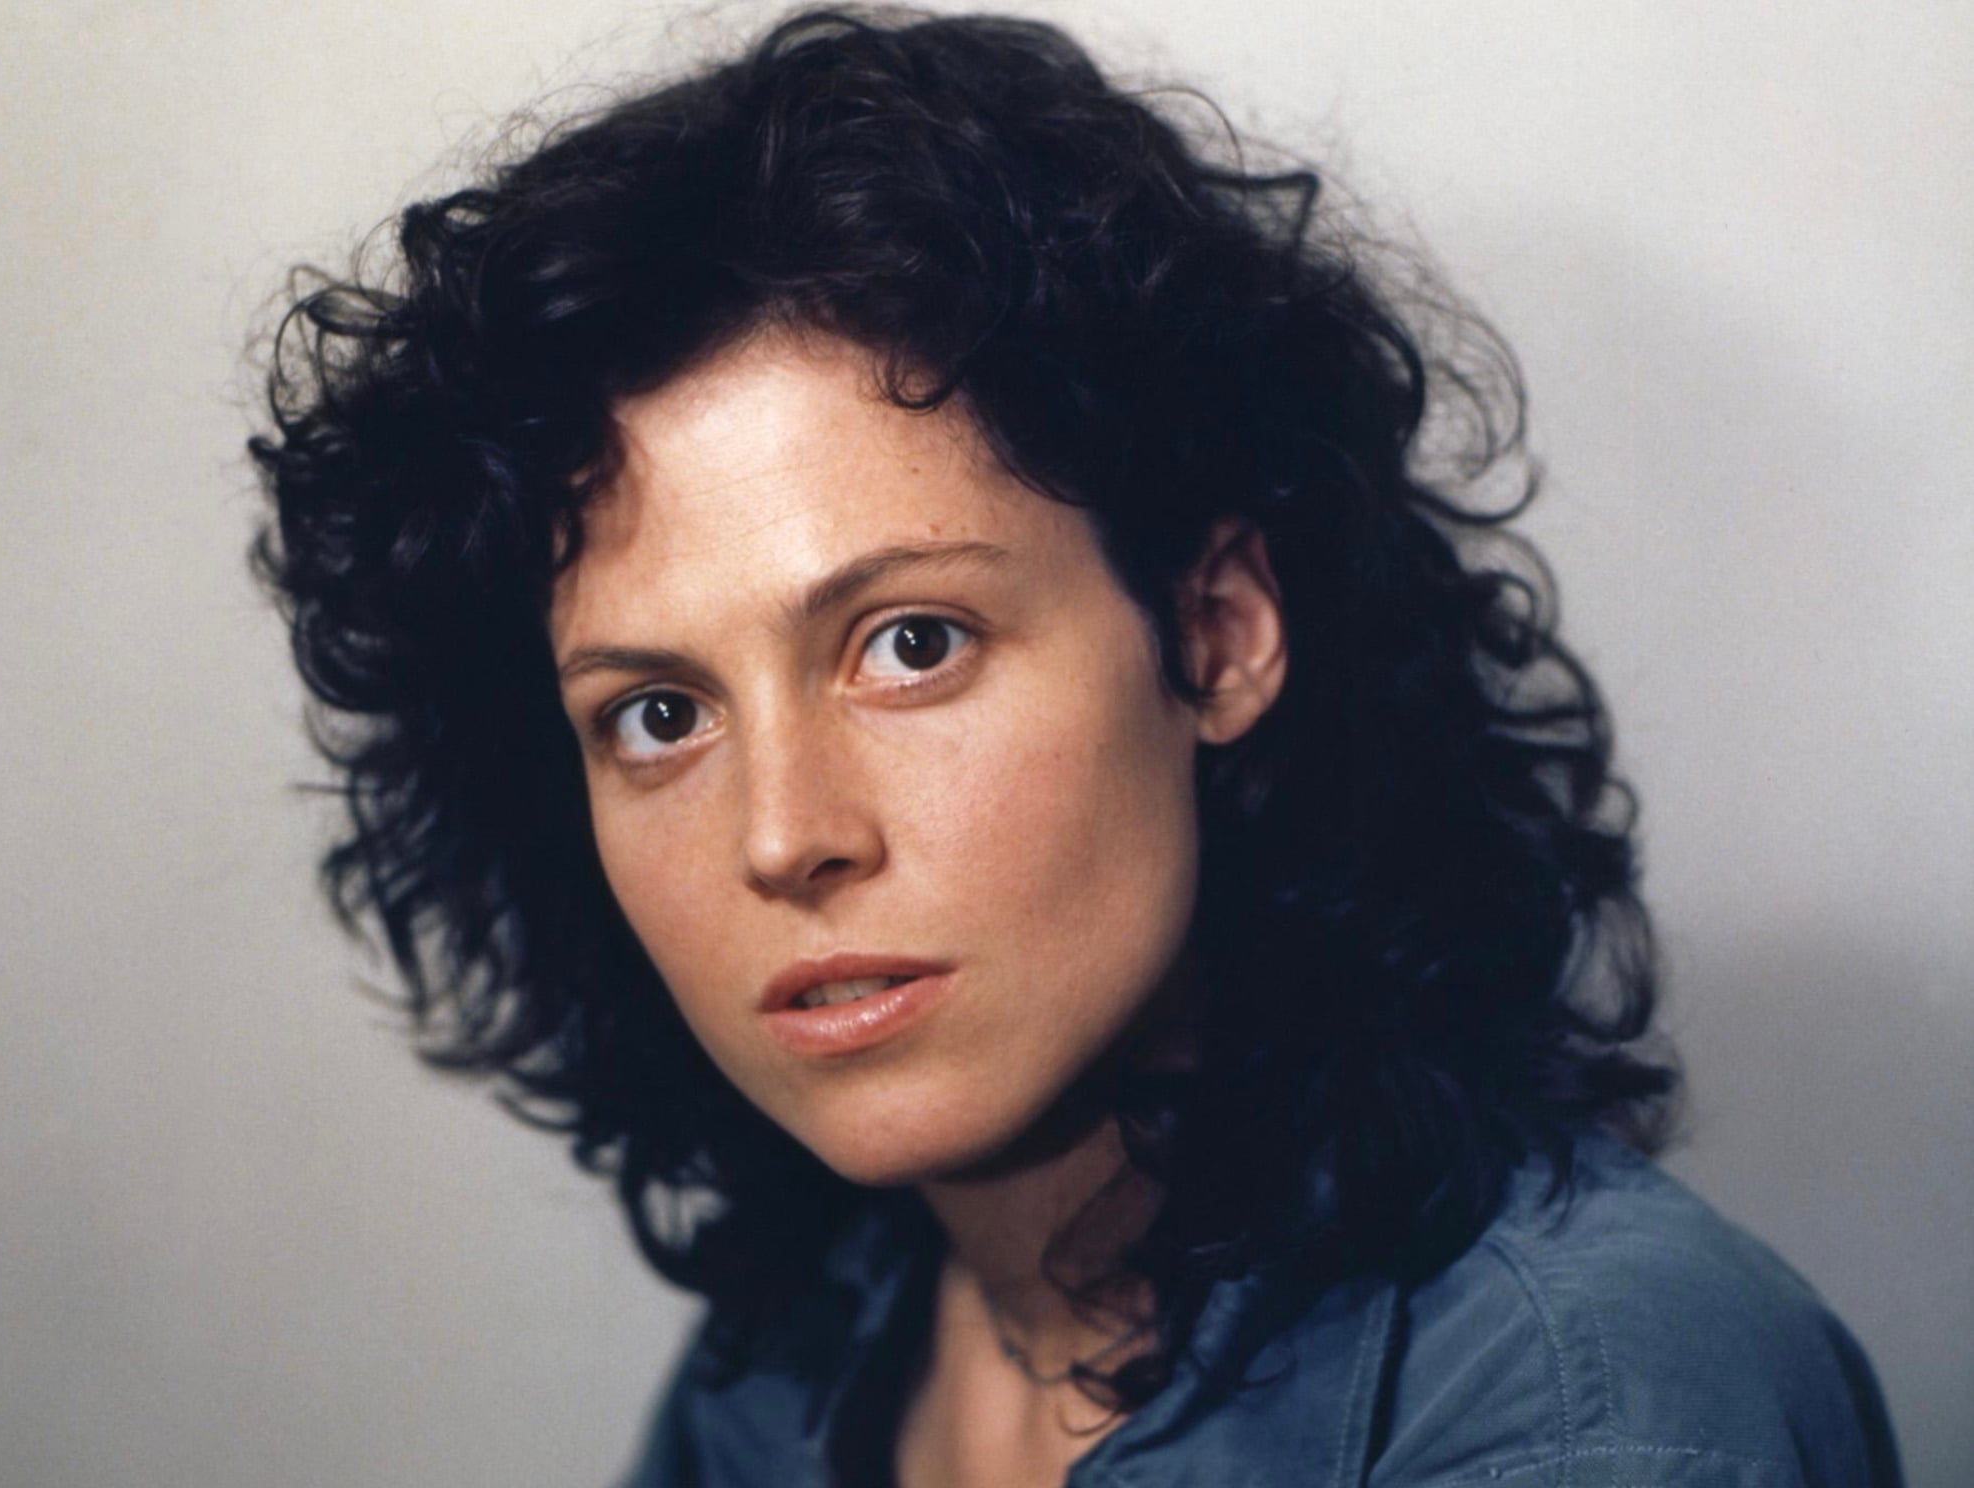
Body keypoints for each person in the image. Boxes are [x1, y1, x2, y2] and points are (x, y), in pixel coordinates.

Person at [248, 8, 1902, 1485]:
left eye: (912, 643)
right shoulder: (786, 1375)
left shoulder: (1595, 1412)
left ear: (1217, 635)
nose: (783, 835)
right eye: (659, 715)